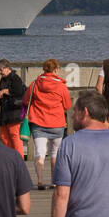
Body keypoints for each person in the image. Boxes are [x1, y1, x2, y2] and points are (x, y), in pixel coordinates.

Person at [22, 58, 72, 189]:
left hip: (38, 123)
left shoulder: (34, 84)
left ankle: (39, 180)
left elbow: (26, 100)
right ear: (56, 70)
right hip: (57, 123)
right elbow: (67, 105)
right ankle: (54, 181)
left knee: (40, 152)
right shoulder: (61, 86)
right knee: (55, 152)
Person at [0, 59, 26, 157]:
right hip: (5, 113)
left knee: (15, 137)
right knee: (4, 137)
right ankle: (11, 158)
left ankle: (18, 159)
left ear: (7, 68)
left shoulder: (15, 78)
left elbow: (19, 92)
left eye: (0, 70)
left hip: (14, 113)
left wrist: (5, 91)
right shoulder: (3, 79)